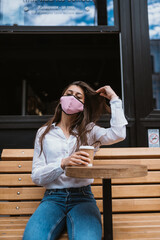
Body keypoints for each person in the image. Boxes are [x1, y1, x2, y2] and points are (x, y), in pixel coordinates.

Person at [23, 81, 128, 240]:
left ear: (83, 106)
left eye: (78, 97)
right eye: (68, 94)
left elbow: (119, 133)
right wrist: (62, 163)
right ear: (61, 99)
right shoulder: (44, 133)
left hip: (83, 198)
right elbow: (36, 177)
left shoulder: (89, 131)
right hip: (52, 198)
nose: (72, 98)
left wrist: (114, 98)